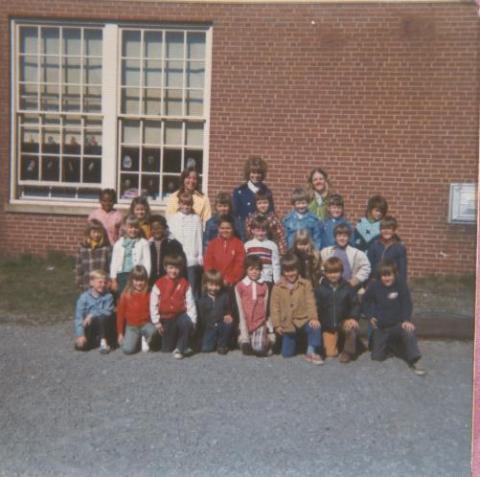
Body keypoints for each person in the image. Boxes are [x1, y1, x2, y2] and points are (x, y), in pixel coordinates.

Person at [362, 261, 426, 376]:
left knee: (408, 330)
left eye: (389, 275)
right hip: (381, 327)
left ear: (394, 274)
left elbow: (407, 303)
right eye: (383, 275)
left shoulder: (400, 284)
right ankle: (392, 346)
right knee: (377, 357)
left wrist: (406, 320)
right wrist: (370, 316)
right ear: (380, 276)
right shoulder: (374, 286)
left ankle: (415, 359)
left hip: (398, 325)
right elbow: (365, 301)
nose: (386, 278)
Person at [270, 253, 323, 364]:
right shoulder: (277, 287)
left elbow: (310, 302)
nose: (291, 274)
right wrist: (277, 324)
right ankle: (296, 343)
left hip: (303, 319)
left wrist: (313, 317)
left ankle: (311, 351)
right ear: (283, 272)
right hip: (287, 323)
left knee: (315, 327)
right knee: (287, 354)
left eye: (293, 270)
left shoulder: (305, 284)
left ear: (298, 269)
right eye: (287, 271)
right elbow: (274, 307)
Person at [150, 254, 197, 359]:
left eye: (176, 268)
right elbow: (153, 304)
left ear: (180, 268)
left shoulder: (185, 283)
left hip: (180, 314)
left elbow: (191, 304)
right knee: (166, 349)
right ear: (165, 267)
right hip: (166, 318)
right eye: (171, 268)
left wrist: (193, 321)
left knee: (187, 324)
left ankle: (180, 348)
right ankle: (180, 345)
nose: (174, 271)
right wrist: (156, 321)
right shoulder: (159, 284)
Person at [314, 257, 360, 363]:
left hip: (343, 321)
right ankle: (336, 341)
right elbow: (315, 306)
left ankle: (348, 352)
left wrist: (353, 317)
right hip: (328, 325)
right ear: (325, 273)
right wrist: (316, 319)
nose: (333, 275)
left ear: (342, 272)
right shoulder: (320, 289)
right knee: (331, 353)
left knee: (352, 328)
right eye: (330, 272)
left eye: (336, 272)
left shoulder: (348, 288)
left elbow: (355, 304)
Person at [235, 256, 275, 356]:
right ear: (246, 270)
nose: (254, 272)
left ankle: (268, 340)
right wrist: (244, 336)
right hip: (246, 322)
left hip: (259, 322)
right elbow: (240, 310)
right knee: (246, 347)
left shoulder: (264, 286)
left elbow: (266, 306)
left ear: (261, 270)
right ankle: (245, 339)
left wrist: (266, 323)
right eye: (251, 269)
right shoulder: (240, 286)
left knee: (258, 348)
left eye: (257, 269)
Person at [167, 192, 203, 298]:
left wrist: (200, 255)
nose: (186, 206)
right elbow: (171, 239)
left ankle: (194, 312)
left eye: (188, 204)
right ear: (179, 204)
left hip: (192, 258)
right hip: (178, 259)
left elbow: (199, 238)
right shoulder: (173, 219)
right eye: (183, 204)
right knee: (178, 287)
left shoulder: (196, 219)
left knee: (192, 288)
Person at [116, 265, 159, 354]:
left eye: (141, 280)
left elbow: (154, 310)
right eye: (136, 280)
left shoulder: (149, 293)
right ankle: (136, 339)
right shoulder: (126, 295)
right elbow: (120, 315)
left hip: (146, 324)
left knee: (154, 332)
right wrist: (120, 333)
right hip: (132, 327)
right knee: (127, 350)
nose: (139, 283)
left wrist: (156, 324)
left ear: (146, 280)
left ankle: (145, 337)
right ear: (131, 280)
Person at [74, 269, 115, 354]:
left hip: (104, 324)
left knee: (102, 317)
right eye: (100, 282)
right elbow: (79, 317)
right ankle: (94, 340)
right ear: (91, 282)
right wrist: (80, 334)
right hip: (90, 326)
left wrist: (92, 314)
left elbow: (108, 311)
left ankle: (103, 340)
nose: (103, 285)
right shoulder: (83, 298)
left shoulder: (108, 296)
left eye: (105, 282)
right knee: (81, 347)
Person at [320, 223, 371, 290]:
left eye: (345, 236)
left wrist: (355, 280)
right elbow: (321, 267)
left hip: (350, 288)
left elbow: (366, 268)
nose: (342, 238)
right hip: (330, 288)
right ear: (335, 237)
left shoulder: (357, 253)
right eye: (339, 236)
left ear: (349, 237)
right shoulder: (326, 252)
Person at [232, 156, 274, 236]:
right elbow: (235, 216)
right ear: (248, 173)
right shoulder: (239, 192)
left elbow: (271, 214)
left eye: (259, 173)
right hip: (243, 233)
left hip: (262, 234)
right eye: (253, 172)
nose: (256, 175)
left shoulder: (267, 191)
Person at [110, 215, 151, 296]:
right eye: (130, 227)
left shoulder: (143, 243)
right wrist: (113, 280)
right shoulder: (119, 243)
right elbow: (114, 263)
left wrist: (146, 278)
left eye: (136, 228)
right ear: (125, 228)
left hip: (137, 275)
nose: (133, 230)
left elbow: (147, 263)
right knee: (122, 297)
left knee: (136, 296)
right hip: (121, 275)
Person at [196, 269, 234, 355]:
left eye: (217, 285)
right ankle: (211, 341)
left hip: (221, 324)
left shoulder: (224, 297)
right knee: (206, 349)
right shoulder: (202, 300)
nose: (214, 288)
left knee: (228, 323)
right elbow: (201, 319)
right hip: (209, 327)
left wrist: (228, 315)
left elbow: (228, 309)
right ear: (206, 284)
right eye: (211, 285)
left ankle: (222, 344)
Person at [204, 215, 246, 288]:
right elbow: (208, 263)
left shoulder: (238, 244)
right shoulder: (213, 243)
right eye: (222, 228)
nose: (225, 231)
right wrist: (214, 279)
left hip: (232, 284)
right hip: (215, 283)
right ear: (218, 229)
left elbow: (240, 264)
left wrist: (230, 279)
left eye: (228, 228)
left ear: (233, 229)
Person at [367, 216, 408, 284]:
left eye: (389, 228)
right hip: (376, 281)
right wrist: (369, 282)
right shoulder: (374, 245)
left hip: (392, 282)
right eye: (383, 228)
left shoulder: (399, 247)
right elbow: (369, 265)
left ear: (394, 230)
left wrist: (401, 285)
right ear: (380, 230)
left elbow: (402, 270)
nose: (386, 231)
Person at [149, 215, 186, 287]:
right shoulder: (148, 245)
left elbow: (181, 264)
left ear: (165, 228)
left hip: (170, 280)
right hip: (152, 281)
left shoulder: (174, 244)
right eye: (154, 228)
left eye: (159, 228)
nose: (156, 231)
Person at [75, 219, 111, 291]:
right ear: (88, 233)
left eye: (99, 232)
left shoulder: (106, 248)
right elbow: (79, 267)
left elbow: (110, 266)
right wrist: (79, 281)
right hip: (87, 283)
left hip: (102, 284)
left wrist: (110, 280)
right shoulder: (83, 249)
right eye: (94, 232)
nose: (96, 235)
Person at [244, 215, 281, 285]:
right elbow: (245, 264)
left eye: (263, 230)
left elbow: (276, 265)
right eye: (257, 230)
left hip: (267, 279)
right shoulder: (247, 245)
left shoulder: (272, 245)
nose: (260, 233)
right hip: (251, 279)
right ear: (252, 230)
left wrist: (276, 281)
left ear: (267, 230)